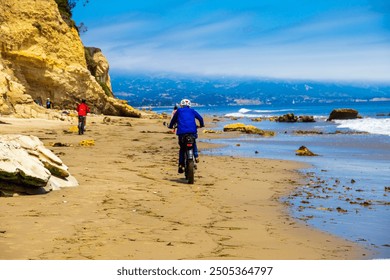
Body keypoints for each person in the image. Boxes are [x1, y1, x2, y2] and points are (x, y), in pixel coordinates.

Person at [168, 99, 204, 173]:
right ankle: (196, 156)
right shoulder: (192, 111)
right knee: (193, 143)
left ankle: (181, 164)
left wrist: (171, 126)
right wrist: (201, 125)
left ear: (181, 105)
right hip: (192, 132)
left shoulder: (179, 111)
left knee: (182, 148)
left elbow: (173, 120)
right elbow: (200, 118)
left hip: (182, 133)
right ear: (189, 105)